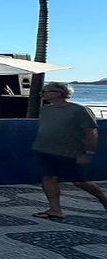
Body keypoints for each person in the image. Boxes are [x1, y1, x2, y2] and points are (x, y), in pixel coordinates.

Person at [31, 82, 105, 220]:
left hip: (69, 151)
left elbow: (91, 132)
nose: (42, 94)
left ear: (59, 93)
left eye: (45, 91)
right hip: (44, 149)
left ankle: (104, 200)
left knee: (80, 181)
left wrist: (89, 152)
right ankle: (55, 209)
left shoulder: (79, 110)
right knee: (48, 178)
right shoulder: (46, 110)